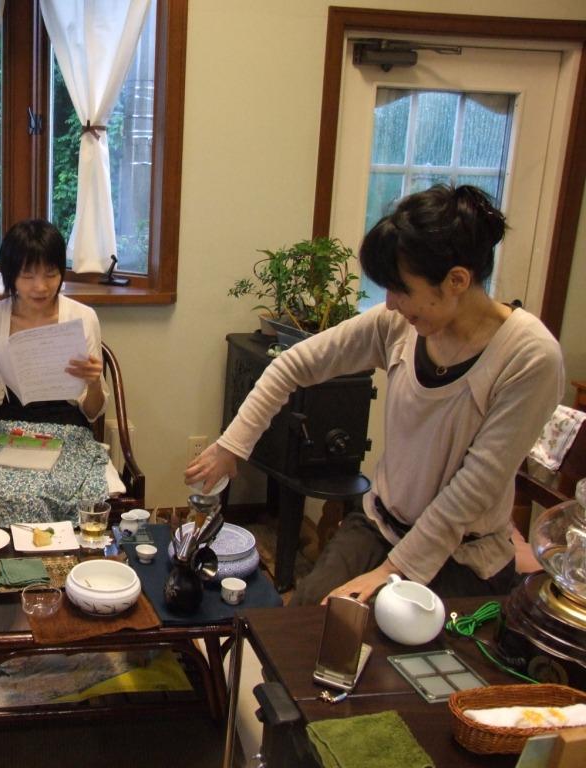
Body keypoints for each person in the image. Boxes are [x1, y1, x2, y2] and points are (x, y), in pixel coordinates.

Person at [186, 185, 564, 605]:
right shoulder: (397, 324)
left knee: (381, 636)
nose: (391, 303)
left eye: (401, 289)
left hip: (463, 556)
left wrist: (390, 572)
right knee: (305, 618)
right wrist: (232, 447)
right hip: (379, 526)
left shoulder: (530, 356)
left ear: (457, 280)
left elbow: (472, 489)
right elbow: (292, 364)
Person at [0, 219, 111, 525]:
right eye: (27, 275)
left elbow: (92, 411)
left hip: (67, 430)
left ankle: (51, 555)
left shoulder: (83, 317)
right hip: (5, 431)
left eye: (51, 274)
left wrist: (94, 382)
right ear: (10, 275)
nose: (40, 286)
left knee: (43, 492)